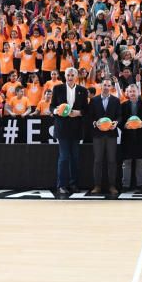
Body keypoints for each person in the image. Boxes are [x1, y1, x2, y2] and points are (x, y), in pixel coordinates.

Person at [50, 67, 88, 196]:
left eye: (72, 75)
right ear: (65, 76)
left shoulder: (83, 91)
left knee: (75, 158)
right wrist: (57, 111)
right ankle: (61, 185)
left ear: (76, 76)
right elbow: (51, 106)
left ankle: (73, 184)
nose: (70, 77)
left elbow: (86, 110)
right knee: (64, 157)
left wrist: (79, 112)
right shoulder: (57, 88)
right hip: (62, 129)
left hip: (76, 129)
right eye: (68, 75)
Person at [88, 79, 120, 195]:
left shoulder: (116, 100)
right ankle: (97, 186)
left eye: (108, 85)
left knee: (112, 161)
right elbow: (89, 116)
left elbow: (119, 116)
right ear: (101, 86)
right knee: (98, 161)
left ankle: (112, 186)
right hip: (98, 135)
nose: (106, 87)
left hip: (111, 134)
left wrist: (116, 123)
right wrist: (94, 123)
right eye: (104, 85)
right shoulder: (94, 100)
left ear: (111, 87)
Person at [119, 84, 142, 191]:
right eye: (130, 92)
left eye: (134, 91)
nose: (132, 93)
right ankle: (125, 185)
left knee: (140, 162)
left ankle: (140, 185)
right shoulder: (123, 105)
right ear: (127, 93)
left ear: (138, 92)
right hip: (127, 137)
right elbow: (119, 120)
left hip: (141, 138)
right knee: (126, 162)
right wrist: (124, 125)